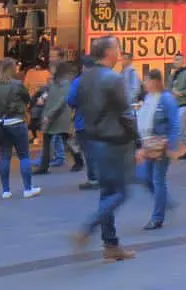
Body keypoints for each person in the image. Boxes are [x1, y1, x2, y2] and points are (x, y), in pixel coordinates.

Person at [71, 36, 136, 261]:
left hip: (92, 140)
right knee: (120, 192)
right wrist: (137, 141)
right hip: (114, 142)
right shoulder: (113, 79)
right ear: (109, 52)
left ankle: (111, 245)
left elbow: (73, 102)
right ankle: (88, 227)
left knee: (106, 192)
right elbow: (126, 113)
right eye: (117, 48)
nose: (120, 52)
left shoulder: (84, 78)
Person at [134, 69, 183, 230]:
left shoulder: (166, 99)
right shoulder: (148, 98)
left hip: (161, 144)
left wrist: (171, 145)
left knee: (157, 179)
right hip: (148, 143)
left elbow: (175, 123)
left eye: (147, 81)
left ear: (155, 81)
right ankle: (165, 201)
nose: (144, 84)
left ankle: (157, 217)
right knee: (145, 177)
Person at [0, 58, 42, 199]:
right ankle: (27, 188)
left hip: (1, 123)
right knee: (24, 155)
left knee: (4, 156)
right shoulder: (18, 85)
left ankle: (6, 190)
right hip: (17, 122)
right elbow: (27, 99)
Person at [38, 63, 82, 175]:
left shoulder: (62, 84)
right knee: (63, 140)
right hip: (57, 117)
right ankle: (78, 160)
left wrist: (49, 114)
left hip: (57, 116)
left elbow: (61, 101)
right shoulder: (57, 84)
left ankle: (78, 161)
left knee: (64, 140)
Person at [67, 57, 101, 190]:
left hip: (83, 121)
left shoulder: (78, 82)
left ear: (83, 67)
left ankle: (93, 179)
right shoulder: (101, 81)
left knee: (89, 152)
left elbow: (71, 100)